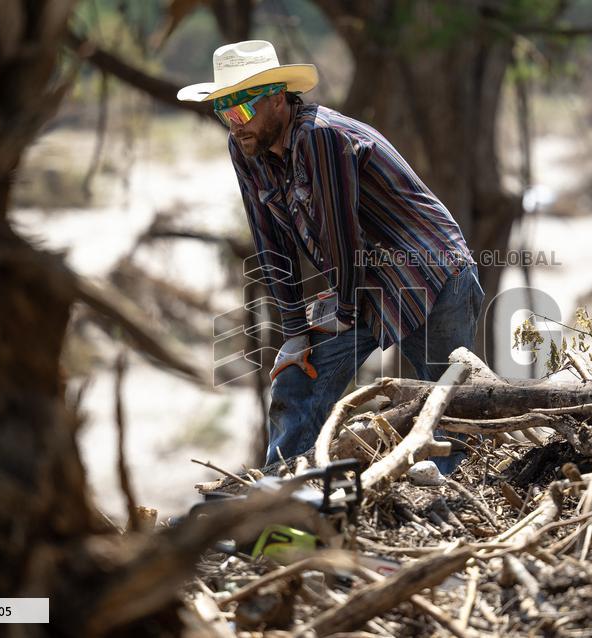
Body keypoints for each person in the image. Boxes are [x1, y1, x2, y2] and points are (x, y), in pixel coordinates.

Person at [178, 40, 483, 469]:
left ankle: (450, 511)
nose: (234, 124)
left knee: (447, 405)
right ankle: (282, 490)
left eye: (242, 110)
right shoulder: (246, 148)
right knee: (296, 376)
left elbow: (340, 232)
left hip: (431, 272)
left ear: (277, 99)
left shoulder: (321, 136)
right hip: (360, 283)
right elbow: (269, 240)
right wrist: (293, 333)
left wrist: (340, 308)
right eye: (223, 112)